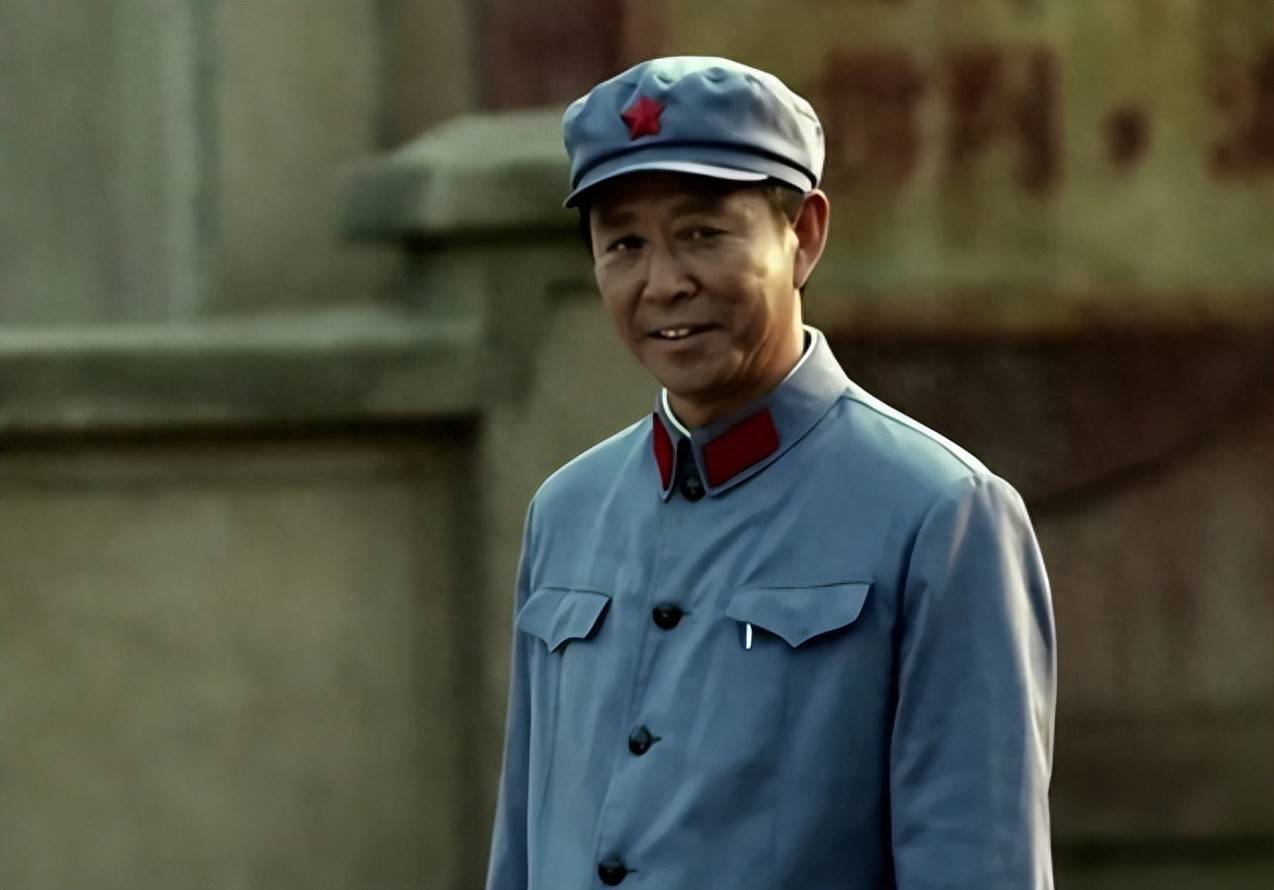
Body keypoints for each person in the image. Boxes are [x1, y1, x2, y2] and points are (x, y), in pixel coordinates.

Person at [485, 55, 1056, 890]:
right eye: (625, 245)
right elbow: (524, 846)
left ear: (804, 235)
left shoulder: (941, 514)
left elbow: (977, 865)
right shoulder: (566, 511)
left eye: (703, 234)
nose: (664, 284)